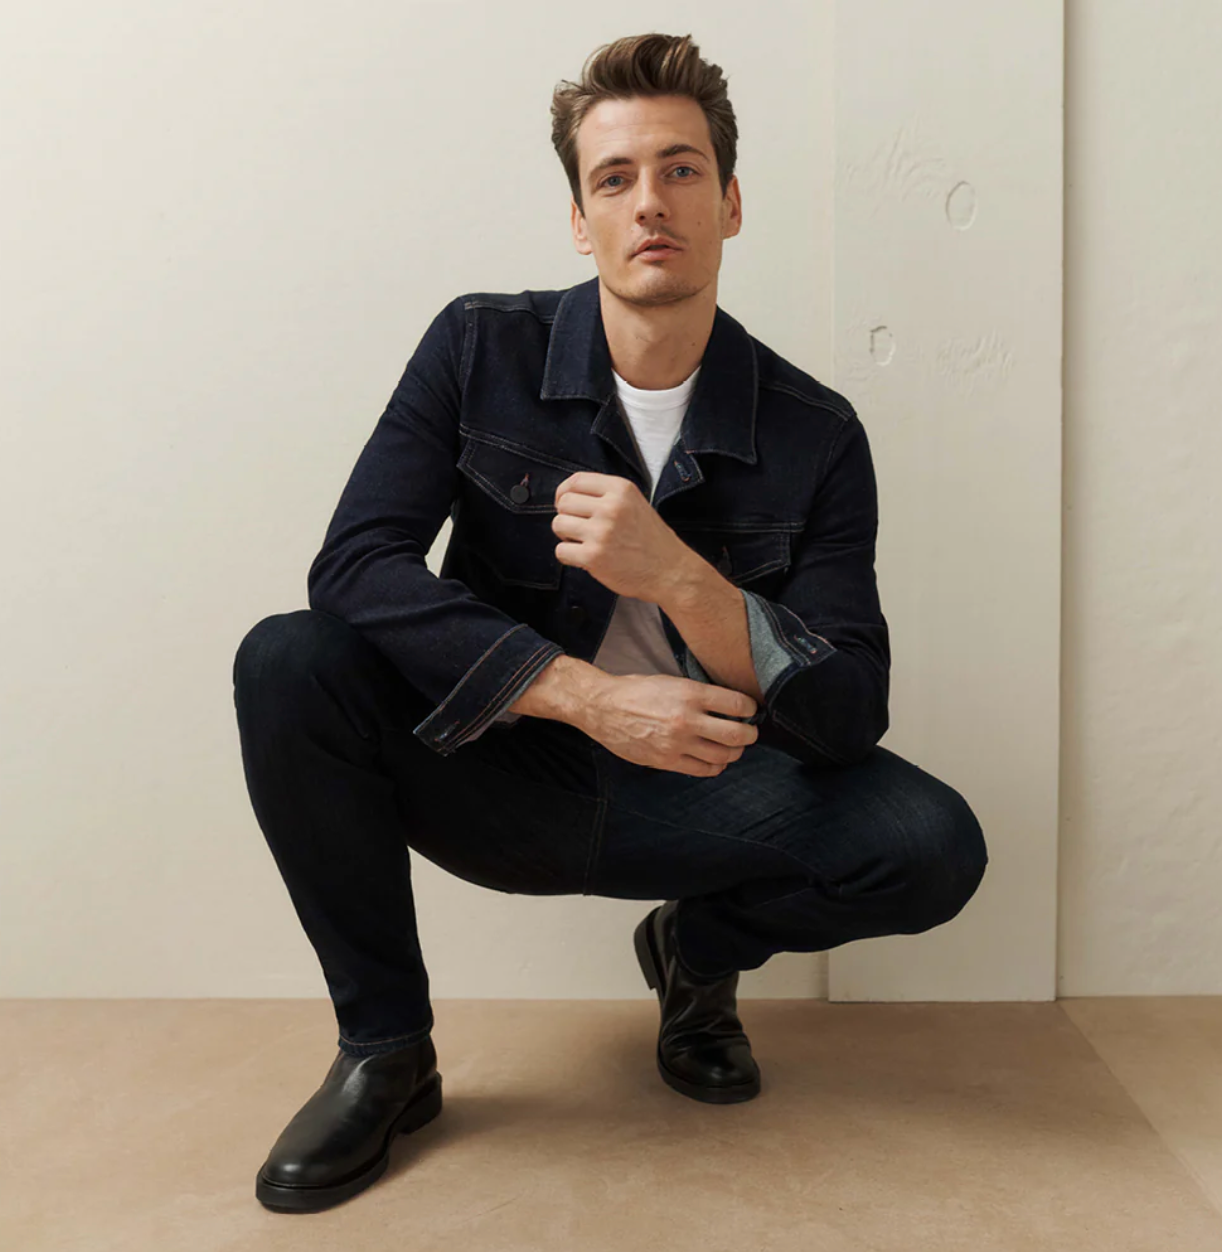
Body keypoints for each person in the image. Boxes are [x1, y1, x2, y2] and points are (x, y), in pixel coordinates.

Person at [232, 31, 988, 1214]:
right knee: (288, 660)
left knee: (931, 843)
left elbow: (847, 712)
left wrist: (681, 577)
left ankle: (698, 954)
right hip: (498, 767)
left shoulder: (815, 432)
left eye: (682, 170)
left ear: (730, 203)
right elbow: (356, 566)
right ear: (580, 220)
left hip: (704, 793)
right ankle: (386, 1050)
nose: (651, 203)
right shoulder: (479, 347)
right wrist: (585, 696)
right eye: (615, 177)